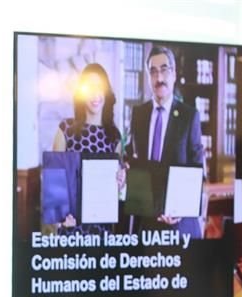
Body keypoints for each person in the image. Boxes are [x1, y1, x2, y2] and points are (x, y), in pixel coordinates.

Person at [125, 44, 205, 239]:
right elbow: (132, 158)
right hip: (146, 224)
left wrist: (181, 209)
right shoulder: (139, 114)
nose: (159, 78)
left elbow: (197, 168)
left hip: (179, 226)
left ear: (174, 73)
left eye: (164, 70)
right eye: (153, 72)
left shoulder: (189, 117)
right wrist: (124, 168)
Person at [53, 63, 121, 154]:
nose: (95, 93)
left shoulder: (114, 136)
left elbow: (117, 167)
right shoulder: (65, 128)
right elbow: (55, 167)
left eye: (100, 87)